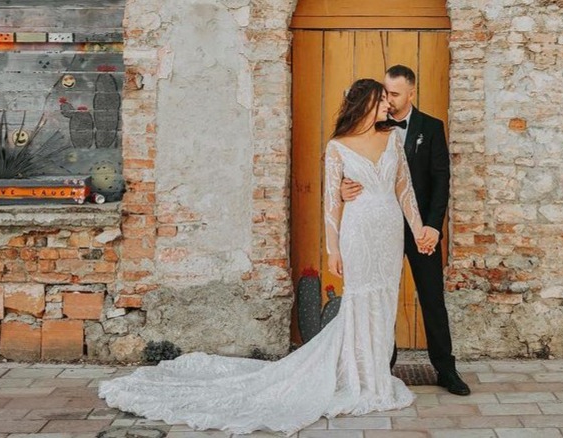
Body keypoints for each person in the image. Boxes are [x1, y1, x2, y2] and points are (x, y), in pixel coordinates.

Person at [98, 78, 430, 435]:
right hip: (359, 231)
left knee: (384, 300)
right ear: (365, 104)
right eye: (382, 100)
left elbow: (405, 190)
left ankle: (377, 377)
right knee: (360, 300)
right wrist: (333, 249)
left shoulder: (393, 138)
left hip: (389, 230)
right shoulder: (338, 147)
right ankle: (360, 380)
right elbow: (331, 203)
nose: (388, 107)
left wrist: (420, 230)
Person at [341, 65, 470, 396]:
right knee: (381, 294)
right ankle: (383, 366)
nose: (388, 99)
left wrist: (432, 227)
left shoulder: (431, 127)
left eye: (395, 94)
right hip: (379, 228)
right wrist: (345, 188)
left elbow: (441, 181)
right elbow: (350, 165)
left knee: (431, 297)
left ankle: (446, 369)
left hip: (420, 230)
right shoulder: (371, 127)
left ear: (411, 94)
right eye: (385, 92)